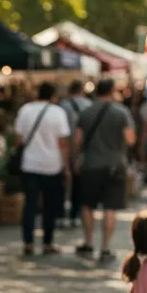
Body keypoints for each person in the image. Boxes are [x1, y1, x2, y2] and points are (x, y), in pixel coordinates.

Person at [74, 77, 136, 261]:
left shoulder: (85, 112)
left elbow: (77, 140)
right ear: (112, 91)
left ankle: (88, 242)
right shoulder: (121, 112)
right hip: (115, 165)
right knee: (110, 208)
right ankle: (106, 248)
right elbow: (130, 139)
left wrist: (77, 158)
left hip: (90, 164)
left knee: (88, 206)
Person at [14, 82, 70, 256]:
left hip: (30, 164)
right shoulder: (58, 112)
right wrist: (66, 167)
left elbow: (18, 139)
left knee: (30, 204)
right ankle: (47, 242)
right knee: (50, 205)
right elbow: (62, 143)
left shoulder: (25, 110)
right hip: (52, 165)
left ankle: (28, 242)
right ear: (53, 95)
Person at [62, 79, 91, 226]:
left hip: (65, 148)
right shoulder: (89, 105)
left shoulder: (63, 106)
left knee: (64, 183)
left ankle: (61, 215)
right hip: (84, 150)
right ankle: (76, 213)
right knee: (79, 184)